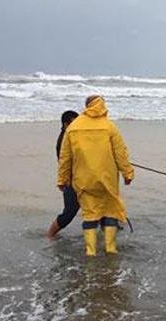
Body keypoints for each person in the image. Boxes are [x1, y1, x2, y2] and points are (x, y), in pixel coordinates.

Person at [57, 95, 134, 256]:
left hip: (83, 180)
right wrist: (128, 173)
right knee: (110, 212)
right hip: (107, 180)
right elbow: (121, 154)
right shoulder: (110, 127)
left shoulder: (73, 128)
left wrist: (62, 180)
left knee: (90, 214)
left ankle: (91, 251)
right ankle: (111, 249)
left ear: (87, 106)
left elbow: (65, 158)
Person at [47, 110, 80, 239]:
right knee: (69, 213)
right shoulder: (64, 140)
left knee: (99, 209)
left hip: (82, 179)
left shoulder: (74, 136)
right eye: (74, 122)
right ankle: (50, 235)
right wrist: (62, 181)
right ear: (66, 124)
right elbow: (64, 163)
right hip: (70, 182)